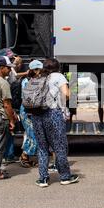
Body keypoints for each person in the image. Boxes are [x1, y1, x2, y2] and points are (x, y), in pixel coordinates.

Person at [27, 59, 79, 187]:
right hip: (53, 114)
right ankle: (65, 176)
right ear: (58, 67)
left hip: (37, 115)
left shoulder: (39, 76)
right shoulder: (58, 76)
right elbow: (66, 94)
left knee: (42, 147)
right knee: (59, 146)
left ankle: (43, 179)